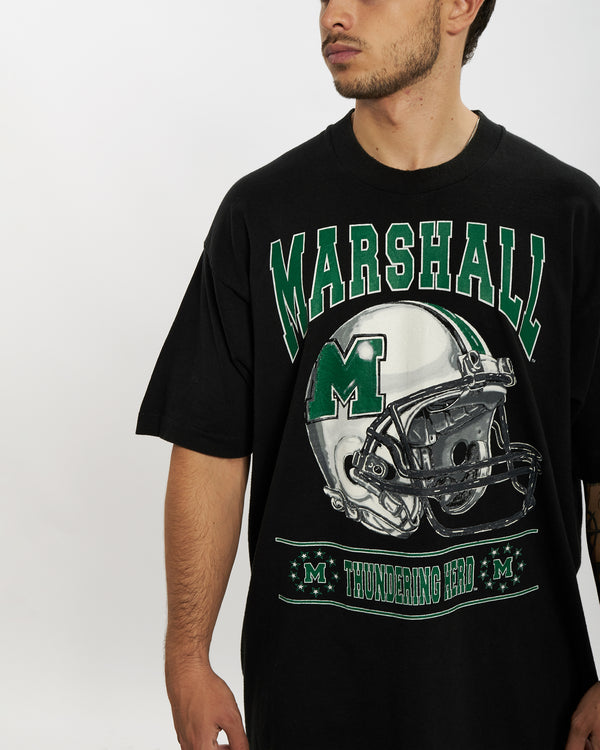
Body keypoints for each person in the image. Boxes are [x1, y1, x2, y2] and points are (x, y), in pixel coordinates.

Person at [136, 1, 600, 747]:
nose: (336, 15)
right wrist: (186, 658)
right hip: (315, 700)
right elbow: (209, 448)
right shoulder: (262, 213)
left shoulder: (567, 211)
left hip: (525, 700)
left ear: (460, 6)